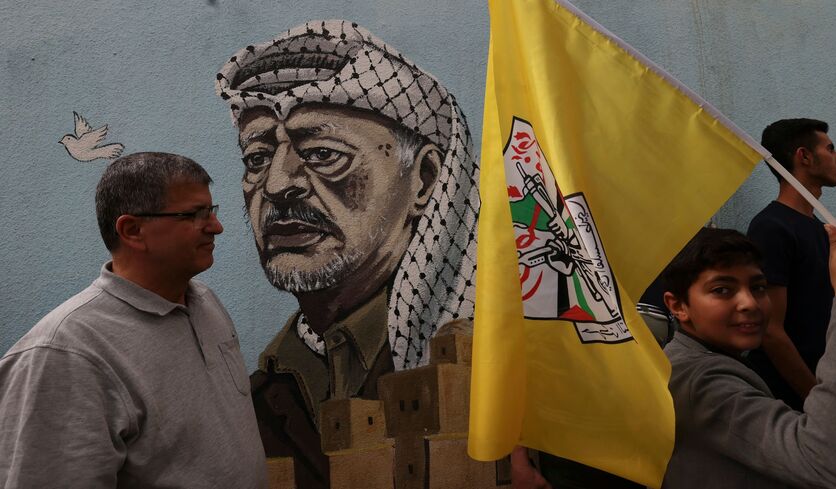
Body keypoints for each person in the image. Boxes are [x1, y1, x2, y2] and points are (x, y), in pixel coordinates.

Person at [215, 20, 479, 488]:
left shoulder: (489, 363)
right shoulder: (265, 390)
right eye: (257, 158)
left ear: (425, 179)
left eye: (321, 154)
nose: (276, 185)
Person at [0, 153, 267, 488]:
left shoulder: (204, 303)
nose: (216, 227)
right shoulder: (64, 354)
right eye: (195, 215)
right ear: (133, 230)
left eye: (211, 211)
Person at [660, 226, 836, 488]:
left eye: (758, 287)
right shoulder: (699, 382)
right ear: (678, 306)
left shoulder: (709, 356)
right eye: (722, 290)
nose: (749, 303)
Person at [746, 118, 836, 409]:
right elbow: (770, 330)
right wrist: (816, 400)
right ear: (804, 156)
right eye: (830, 149)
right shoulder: (772, 228)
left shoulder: (820, 229)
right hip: (793, 405)